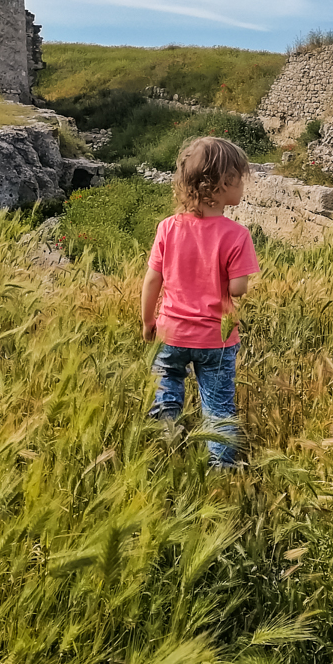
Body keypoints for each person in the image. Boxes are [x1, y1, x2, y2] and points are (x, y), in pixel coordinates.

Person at [141, 136, 259, 471]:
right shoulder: (237, 235)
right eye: (241, 179)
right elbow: (237, 289)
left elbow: (152, 280)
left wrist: (148, 321)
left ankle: (163, 452)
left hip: (170, 333)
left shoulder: (168, 228)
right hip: (215, 340)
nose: (243, 186)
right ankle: (221, 466)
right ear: (225, 183)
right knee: (218, 405)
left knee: (166, 395)